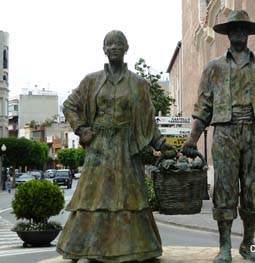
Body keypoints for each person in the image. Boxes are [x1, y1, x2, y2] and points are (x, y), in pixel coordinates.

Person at [57, 30, 176, 262]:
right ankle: (83, 247)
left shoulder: (138, 84)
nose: (113, 47)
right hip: (99, 147)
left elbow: (148, 120)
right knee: (94, 197)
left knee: (130, 197)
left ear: (126, 48)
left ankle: (139, 248)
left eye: (118, 44)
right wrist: (81, 129)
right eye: (109, 44)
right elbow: (69, 105)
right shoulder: (92, 80)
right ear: (103, 49)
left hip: (126, 147)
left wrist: (162, 144)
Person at [181, 10, 255, 263]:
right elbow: (203, 106)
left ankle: (248, 244)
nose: (238, 32)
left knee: (253, 189)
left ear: (248, 33)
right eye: (233, 28)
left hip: (253, 133)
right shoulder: (214, 67)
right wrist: (192, 139)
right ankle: (224, 245)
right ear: (228, 34)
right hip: (224, 133)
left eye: (242, 28)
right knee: (224, 189)